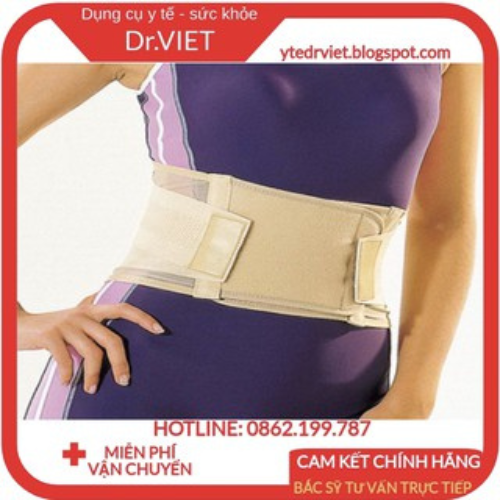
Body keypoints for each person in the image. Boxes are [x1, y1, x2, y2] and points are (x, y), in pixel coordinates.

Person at [19, 62, 482, 419]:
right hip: (138, 376)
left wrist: (414, 397)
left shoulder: (445, 28)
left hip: (341, 390)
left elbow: (444, 222)